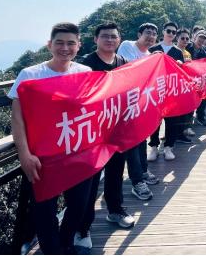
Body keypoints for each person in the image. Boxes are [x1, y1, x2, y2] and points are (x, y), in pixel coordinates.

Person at [9, 22, 93, 254]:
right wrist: (24, 155)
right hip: (42, 156)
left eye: (70, 43)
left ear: (78, 45)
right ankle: (52, 250)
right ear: (49, 45)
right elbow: (17, 118)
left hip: (77, 153)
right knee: (44, 210)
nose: (65, 48)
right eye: (59, 43)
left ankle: (65, 244)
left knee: (79, 205)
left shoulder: (85, 72)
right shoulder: (30, 75)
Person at [75, 23, 135, 251]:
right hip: (92, 132)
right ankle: (83, 227)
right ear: (95, 39)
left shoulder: (122, 62)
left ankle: (115, 210)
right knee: (89, 180)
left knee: (116, 171)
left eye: (113, 36)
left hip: (116, 128)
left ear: (119, 39)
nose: (110, 40)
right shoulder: (85, 64)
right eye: (105, 36)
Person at [117, 22, 160, 201]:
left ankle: (143, 171)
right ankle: (137, 181)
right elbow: (128, 70)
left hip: (141, 104)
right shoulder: (127, 45)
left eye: (154, 34)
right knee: (132, 143)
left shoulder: (149, 55)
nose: (151, 36)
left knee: (141, 139)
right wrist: (151, 61)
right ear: (139, 34)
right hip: (125, 104)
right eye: (148, 32)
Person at [147, 22, 185, 162]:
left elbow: (182, 72)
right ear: (163, 31)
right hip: (156, 90)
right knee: (154, 119)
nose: (171, 34)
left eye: (174, 32)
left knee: (172, 120)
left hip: (171, 91)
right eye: (169, 31)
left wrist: (180, 65)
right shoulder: (153, 49)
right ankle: (154, 147)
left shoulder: (177, 51)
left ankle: (169, 147)